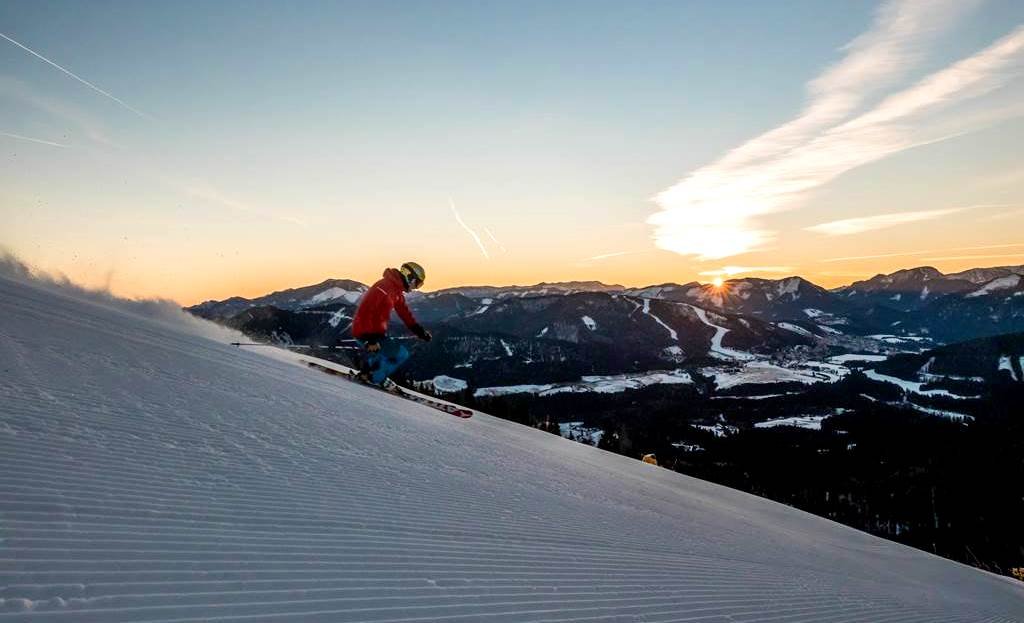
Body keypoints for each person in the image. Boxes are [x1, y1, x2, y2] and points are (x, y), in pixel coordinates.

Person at [350, 261, 432, 386]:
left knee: (385, 354)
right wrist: (370, 339)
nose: (416, 287)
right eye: (417, 283)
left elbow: (404, 313)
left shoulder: (397, 291)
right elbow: (367, 311)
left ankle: (367, 374)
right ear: (409, 277)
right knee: (401, 354)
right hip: (366, 333)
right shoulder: (383, 287)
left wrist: (419, 331)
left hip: (375, 333)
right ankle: (374, 378)